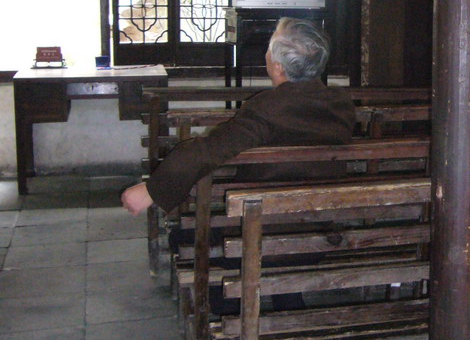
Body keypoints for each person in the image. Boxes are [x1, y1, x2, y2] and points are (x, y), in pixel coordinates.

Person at [121, 17, 356, 217]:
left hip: (267, 222)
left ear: (277, 67)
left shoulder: (267, 108)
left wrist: (151, 190)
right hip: (324, 215)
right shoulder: (340, 103)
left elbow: (209, 149)